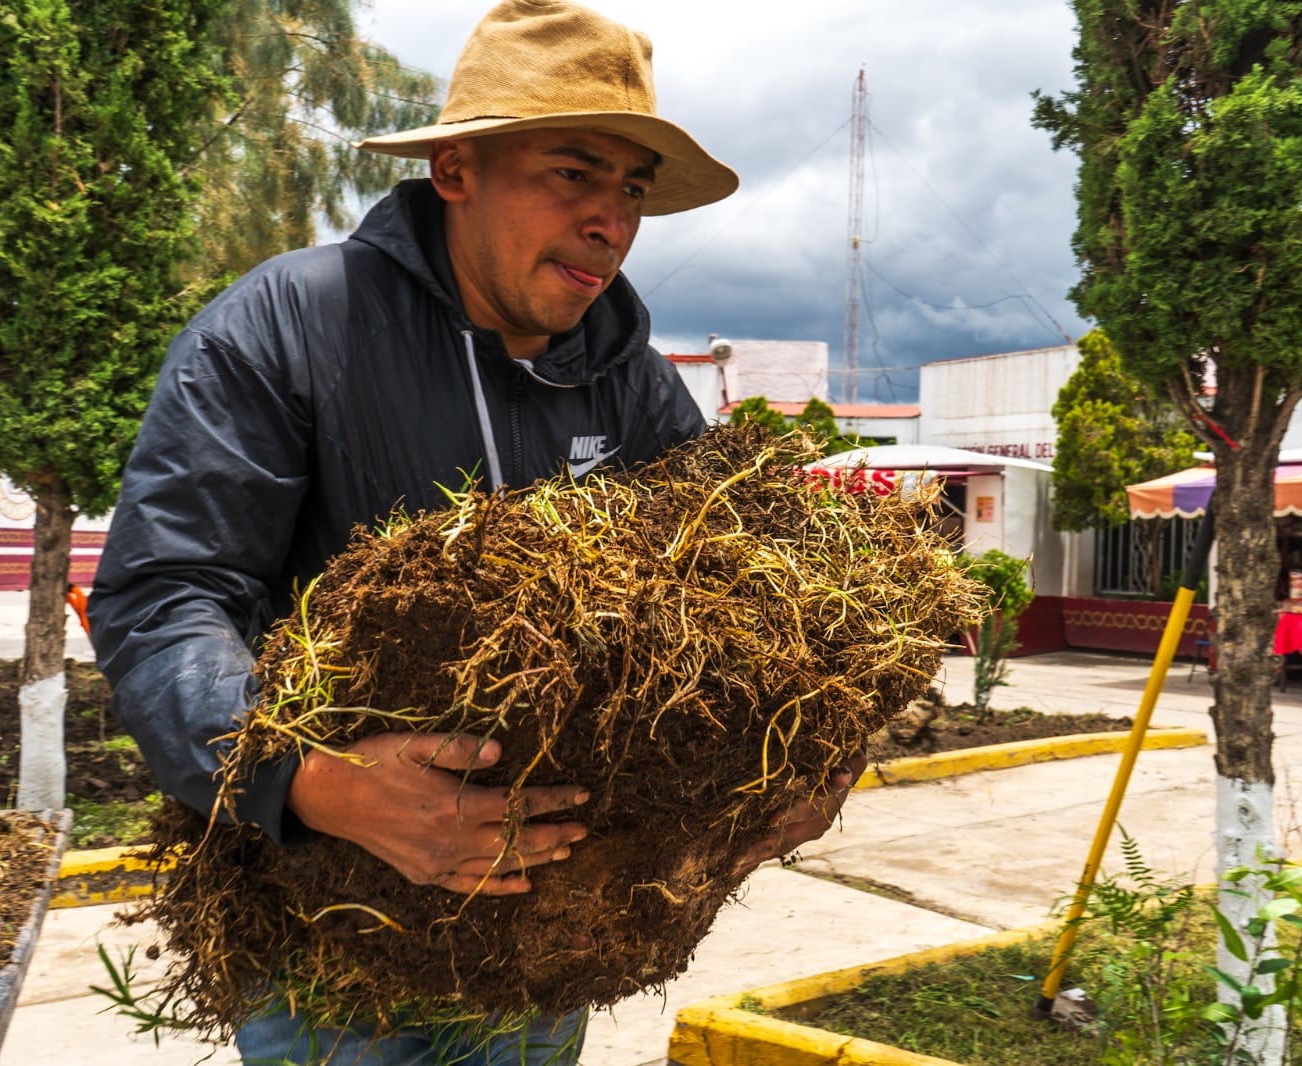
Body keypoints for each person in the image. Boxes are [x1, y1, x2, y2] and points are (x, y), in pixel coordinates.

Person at [88, 2, 866, 1062]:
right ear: (456, 169)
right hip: (341, 941)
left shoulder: (626, 381)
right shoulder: (290, 327)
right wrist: (313, 781)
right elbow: (167, 595)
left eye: (631, 190)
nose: (611, 220)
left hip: (552, 932)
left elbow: (743, 597)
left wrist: (813, 753)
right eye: (574, 172)